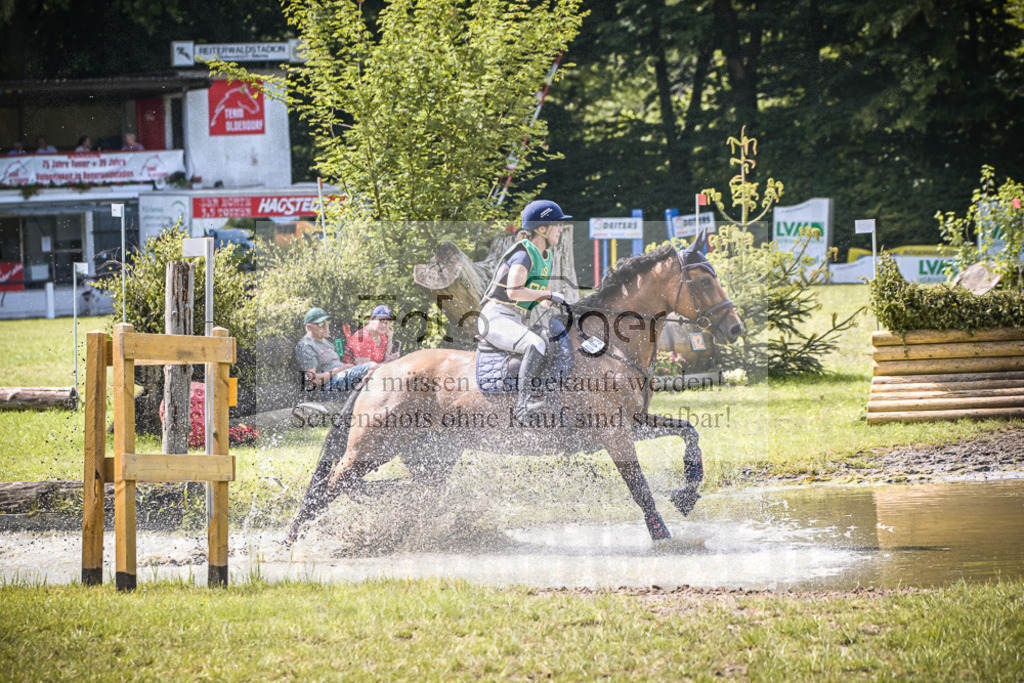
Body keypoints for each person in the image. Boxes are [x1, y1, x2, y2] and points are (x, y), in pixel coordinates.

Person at [478, 199, 571, 422]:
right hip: (494, 316)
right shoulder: (523, 253)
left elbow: (542, 298)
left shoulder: (545, 256)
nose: (561, 229)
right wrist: (548, 295)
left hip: (513, 317)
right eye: (557, 224)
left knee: (549, 342)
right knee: (535, 343)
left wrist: (557, 300)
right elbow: (514, 291)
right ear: (542, 228)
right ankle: (524, 403)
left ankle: (548, 398)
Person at [294, 307, 377, 403]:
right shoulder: (306, 345)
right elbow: (314, 380)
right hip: (328, 388)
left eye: (327, 322)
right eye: (320, 323)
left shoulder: (326, 342)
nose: (325, 326)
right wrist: (341, 368)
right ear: (309, 327)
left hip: (341, 380)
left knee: (381, 368)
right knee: (371, 367)